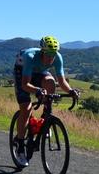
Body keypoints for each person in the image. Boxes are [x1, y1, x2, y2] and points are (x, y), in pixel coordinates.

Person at [12, 35, 78, 166]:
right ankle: (20, 146)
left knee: (50, 81)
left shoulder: (57, 58)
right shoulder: (30, 57)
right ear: (42, 51)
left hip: (39, 73)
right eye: (48, 54)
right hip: (22, 72)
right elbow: (25, 85)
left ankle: (45, 119)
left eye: (53, 54)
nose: (51, 57)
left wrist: (70, 91)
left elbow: (61, 80)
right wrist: (37, 90)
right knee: (26, 108)